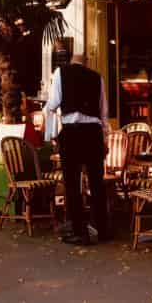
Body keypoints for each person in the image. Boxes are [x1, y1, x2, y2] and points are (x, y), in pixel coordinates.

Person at [45, 54, 110, 246]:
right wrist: (104, 137)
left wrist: (50, 134)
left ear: (71, 62)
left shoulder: (60, 72)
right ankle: (102, 229)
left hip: (72, 132)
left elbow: (54, 102)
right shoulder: (97, 77)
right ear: (86, 64)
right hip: (93, 133)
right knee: (97, 182)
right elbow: (103, 111)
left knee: (72, 184)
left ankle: (80, 232)